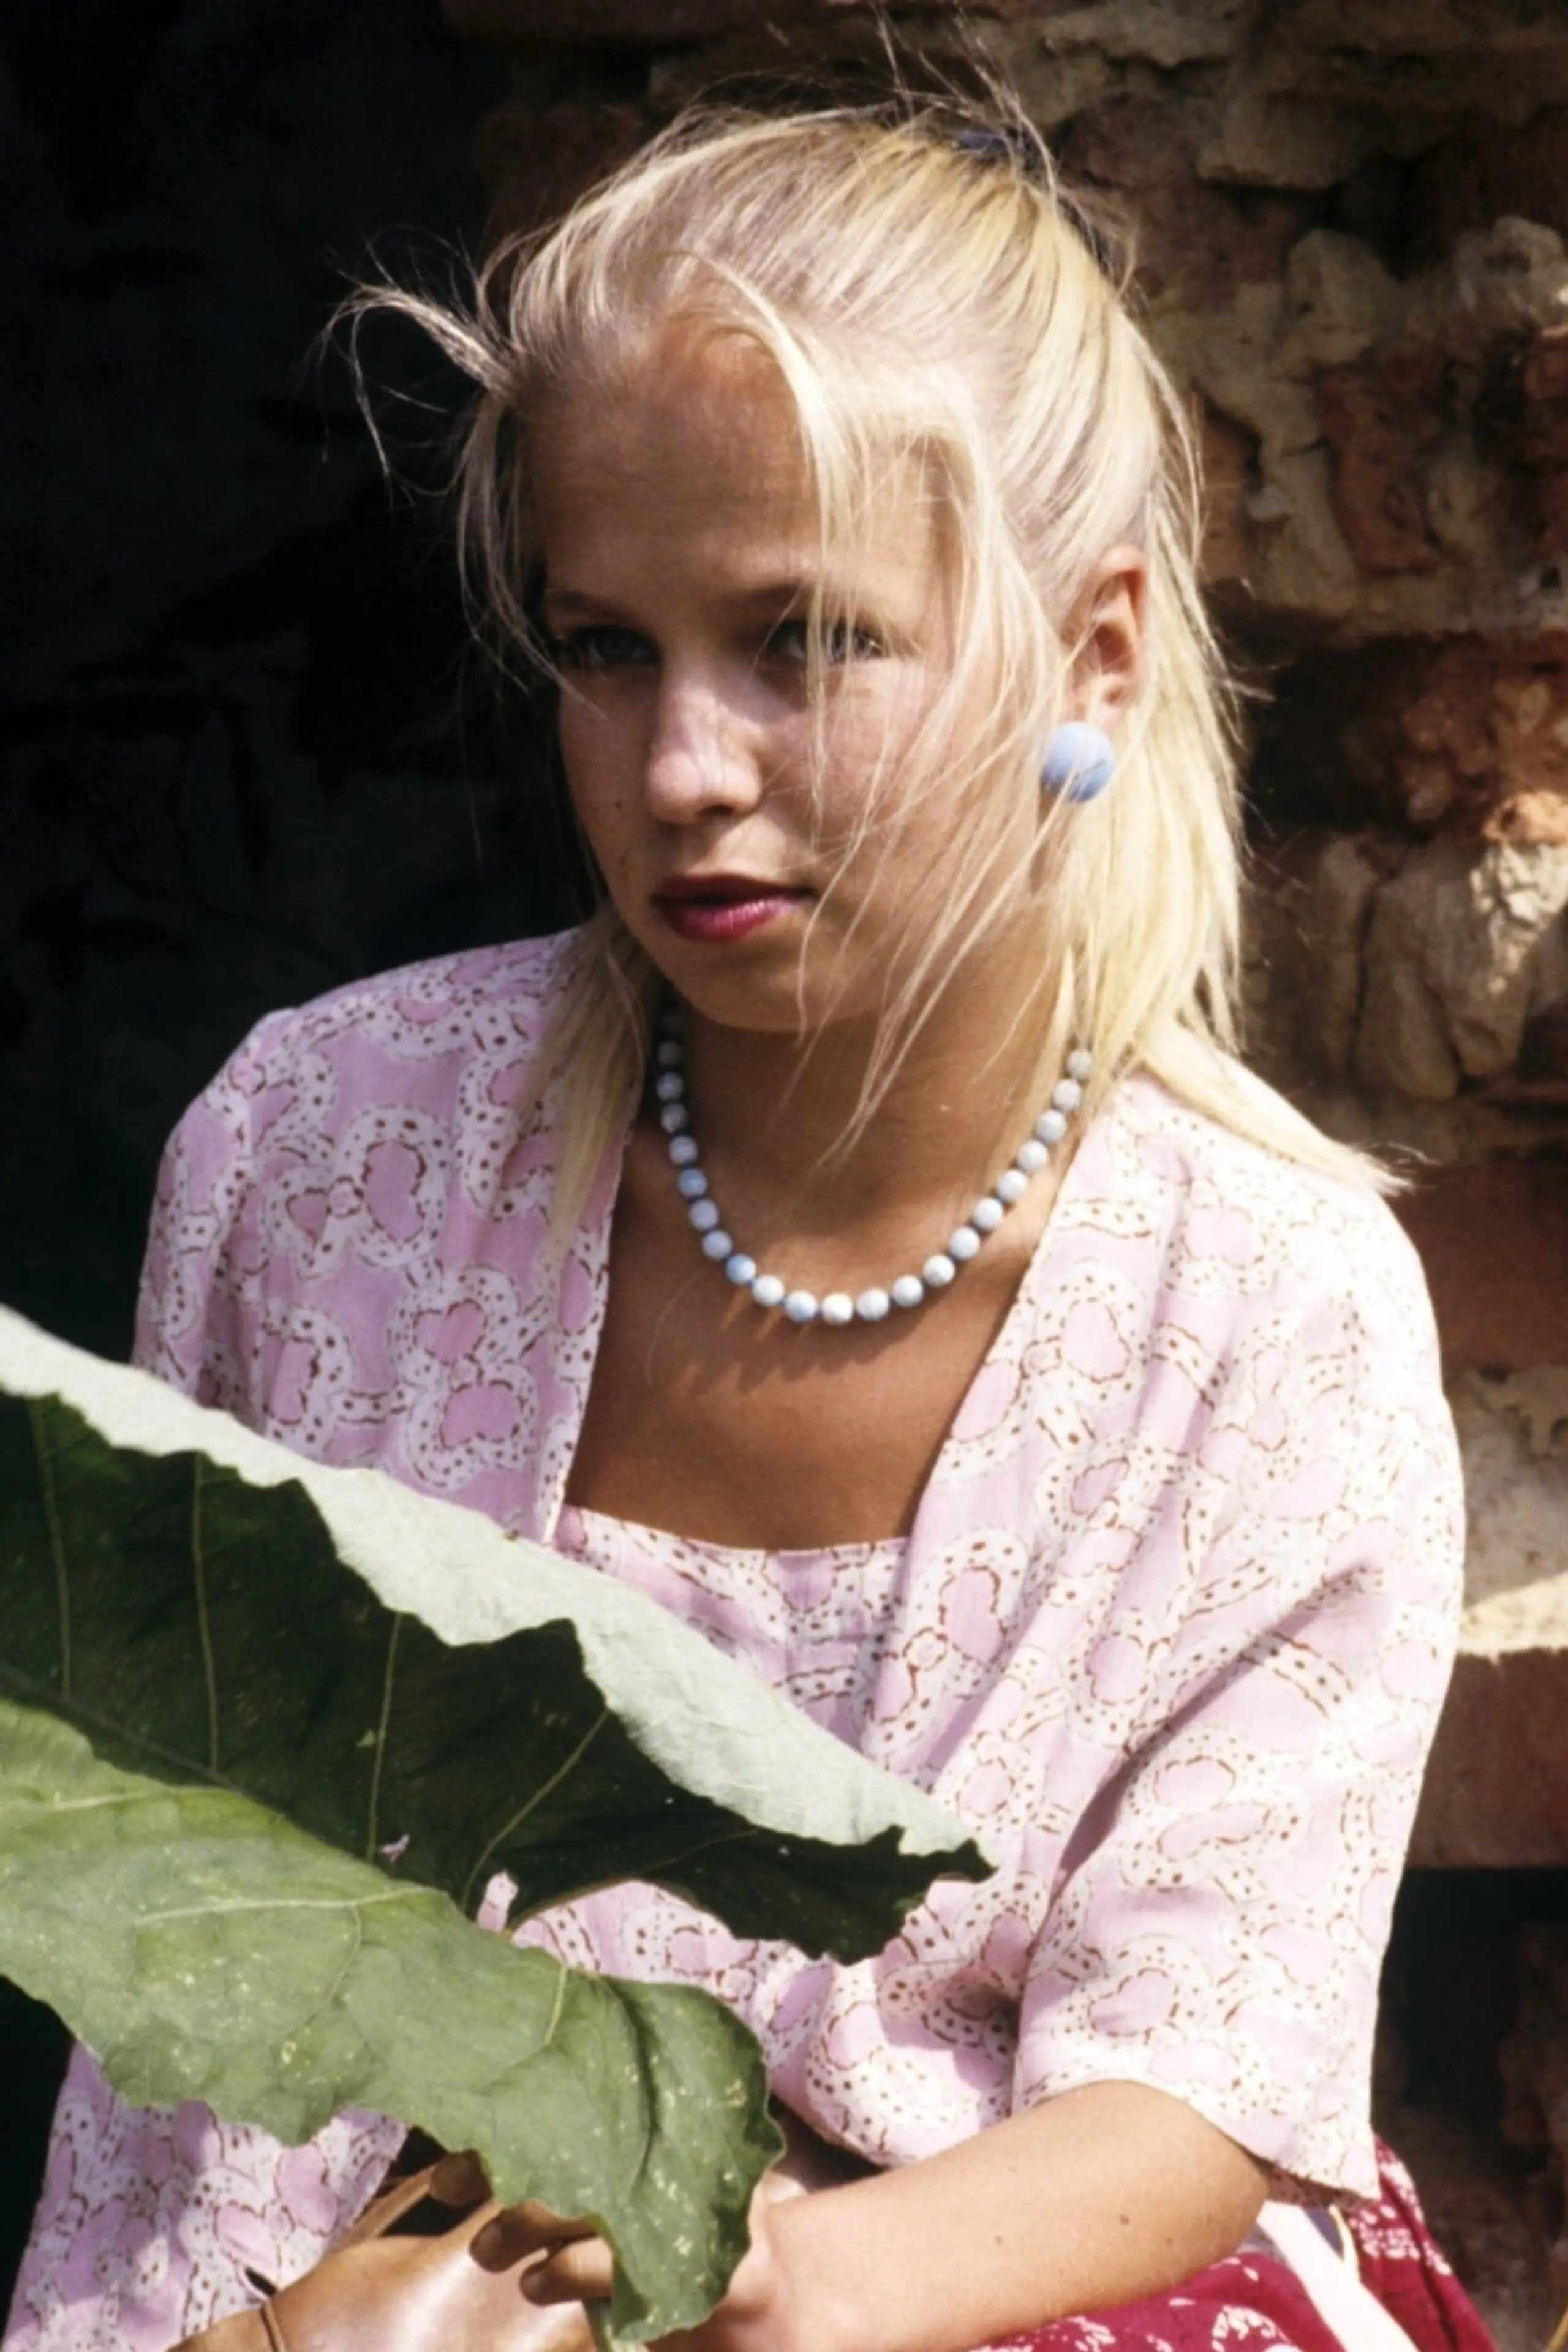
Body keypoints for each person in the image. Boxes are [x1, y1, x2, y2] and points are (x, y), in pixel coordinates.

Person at [6, 96, 1490, 2352]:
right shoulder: (323, 1159)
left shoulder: (1269, 1312)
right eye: (609, 649)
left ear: (1091, 657)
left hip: (986, 2268)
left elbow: (1201, 2068)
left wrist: (773, 2275)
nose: (684, 764)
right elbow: (169, 1917)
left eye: (805, 640)